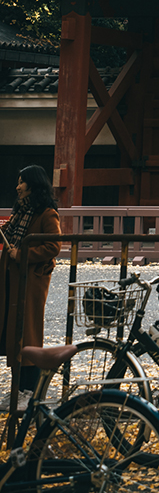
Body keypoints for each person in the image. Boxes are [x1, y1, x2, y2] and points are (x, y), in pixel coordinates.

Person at [0, 165, 61, 405]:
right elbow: (8, 232)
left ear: (33, 184)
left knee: (29, 333)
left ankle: (30, 391)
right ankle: (17, 388)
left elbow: (53, 246)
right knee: (13, 331)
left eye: (22, 182)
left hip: (31, 281)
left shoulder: (47, 213)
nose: (17, 187)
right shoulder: (21, 212)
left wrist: (22, 253)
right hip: (12, 279)